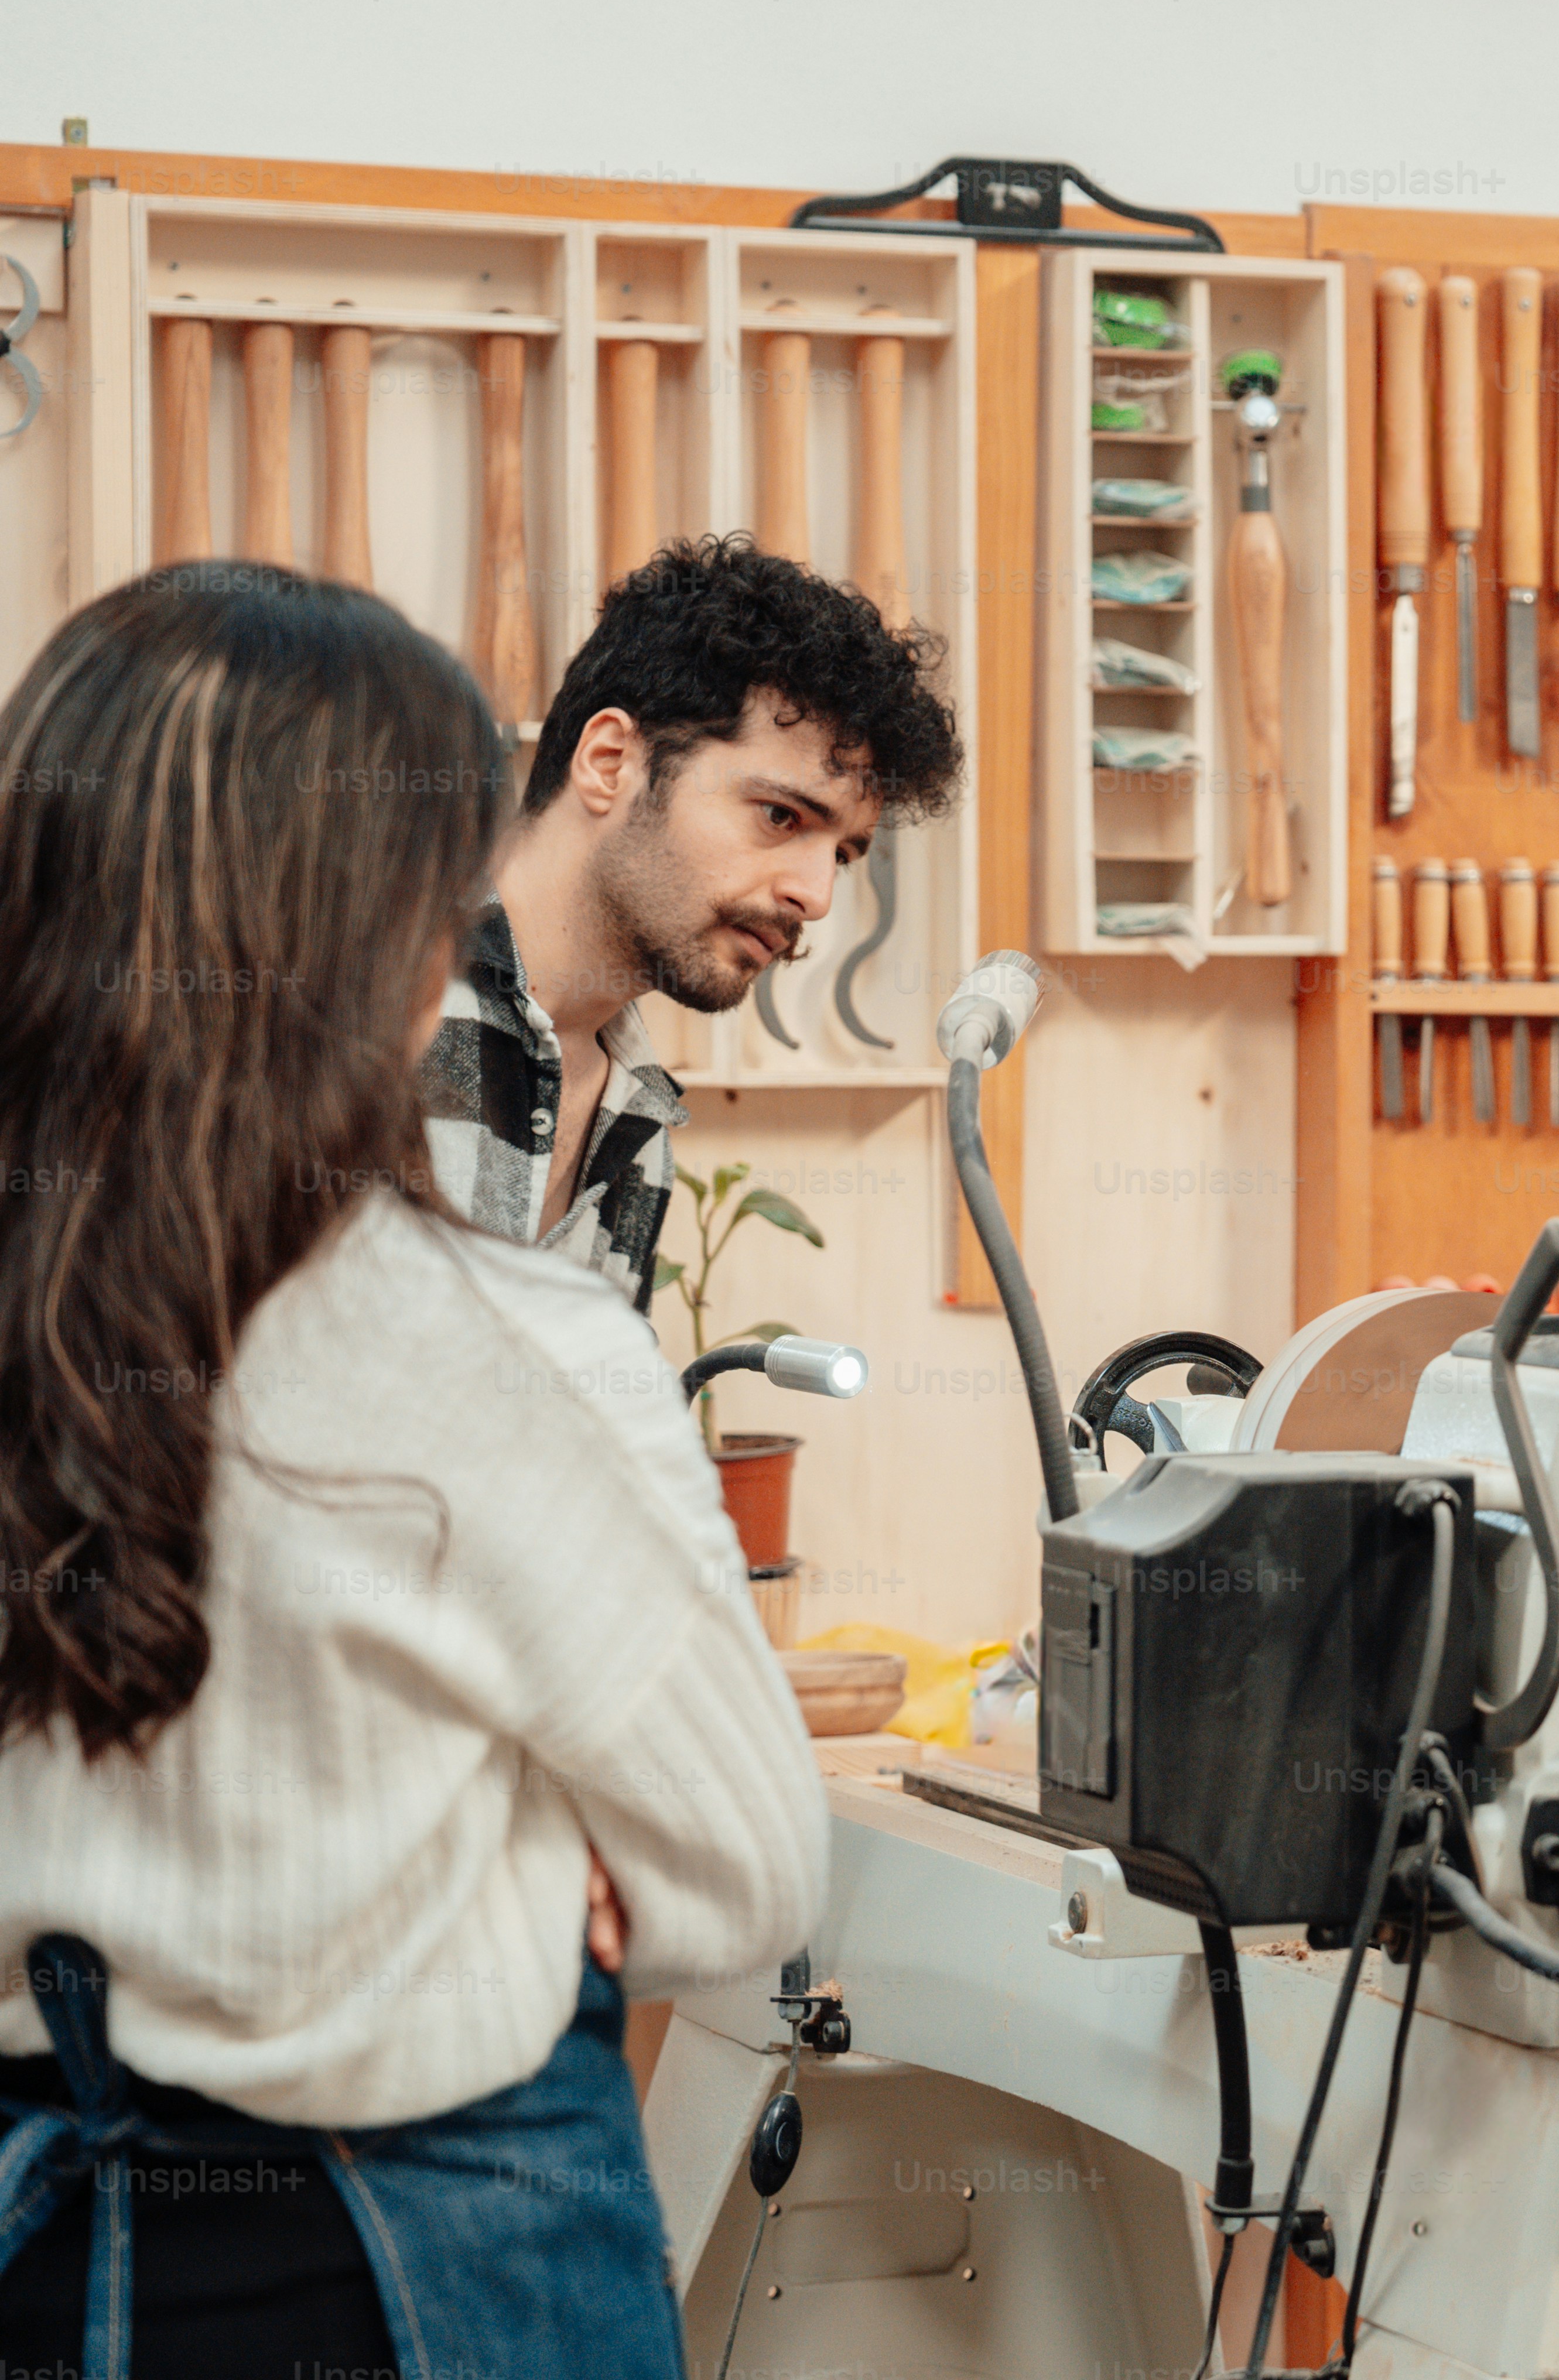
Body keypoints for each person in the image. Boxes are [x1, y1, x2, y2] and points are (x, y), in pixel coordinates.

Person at [0, 564, 830, 2376]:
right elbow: (757, 1868)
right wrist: (531, 1857)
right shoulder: (489, 1339)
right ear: (367, 928)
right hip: (427, 2259)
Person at [426, 533, 962, 1307]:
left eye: (842, 854)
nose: (816, 896)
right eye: (780, 814)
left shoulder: (635, 1116)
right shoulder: (367, 1007)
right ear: (610, 762)